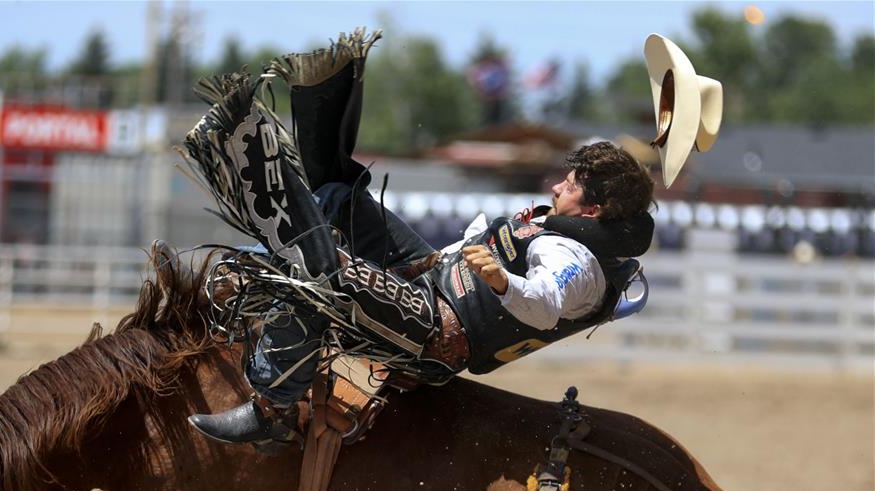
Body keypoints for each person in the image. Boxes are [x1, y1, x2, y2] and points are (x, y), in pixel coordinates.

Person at [181, 31, 660, 450]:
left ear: (594, 209)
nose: (557, 186)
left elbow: (545, 303)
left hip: (436, 328)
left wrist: (498, 282)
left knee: (321, 276)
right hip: (429, 279)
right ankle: (319, 94)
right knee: (337, 196)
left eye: (571, 185)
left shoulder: (572, 256)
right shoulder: (557, 228)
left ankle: (272, 410)